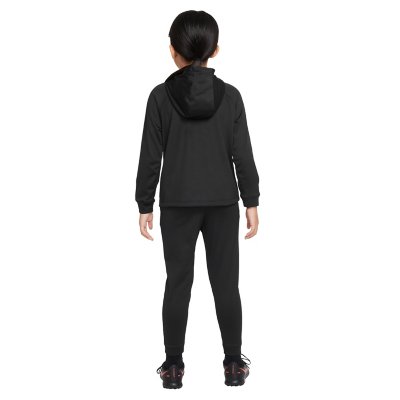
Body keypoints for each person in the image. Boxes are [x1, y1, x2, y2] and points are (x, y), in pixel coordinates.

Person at [135, 10, 259, 389]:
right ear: (215, 50)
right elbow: (242, 153)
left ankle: (173, 367)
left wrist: (144, 203)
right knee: (226, 285)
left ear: (172, 51)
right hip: (223, 204)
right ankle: (233, 364)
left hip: (177, 205)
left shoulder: (160, 97)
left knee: (177, 284)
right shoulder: (231, 97)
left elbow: (150, 156)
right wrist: (251, 201)